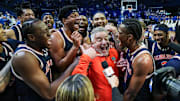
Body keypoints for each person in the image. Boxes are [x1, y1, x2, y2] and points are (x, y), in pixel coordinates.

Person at [11, 18, 76, 101]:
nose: (50, 34)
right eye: (45, 32)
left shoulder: (41, 47)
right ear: (32, 37)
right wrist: (73, 65)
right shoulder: (24, 57)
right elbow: (48, 94)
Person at [72, 27, 119, 101]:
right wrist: (85, 59)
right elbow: (76, 81)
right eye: (99, 40)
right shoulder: (88, 57)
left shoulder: (113, 52)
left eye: (106, 39)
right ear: (92, 43)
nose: (104, 42)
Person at [117, 19, 154, 101]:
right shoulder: (131, 48)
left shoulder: (142, 60)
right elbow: (119, 47)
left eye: (120, 33)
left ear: (129, 37)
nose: (117, 35)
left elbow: (130, 94)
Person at [49, 5, 82, 72]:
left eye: (78, 16)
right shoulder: (56, 37)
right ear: (64, 20)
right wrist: (75, 47)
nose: (78, 18)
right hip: (63, 79)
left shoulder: (77, 34)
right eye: (73, 16)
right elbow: (60, 67)